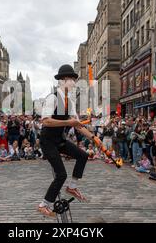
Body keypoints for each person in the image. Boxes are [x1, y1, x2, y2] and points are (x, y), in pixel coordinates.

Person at [38, 64, 95, 218]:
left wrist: (94, 138)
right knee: (61, 174)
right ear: (63, 80)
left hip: (59, 140)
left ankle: (72, 187)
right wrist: (68, 123)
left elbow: (77, 125)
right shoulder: (53, 98)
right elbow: (46, 121)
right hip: (48, 141)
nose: (74, 83)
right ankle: (44, 205)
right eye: (72, 80)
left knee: (83, 156)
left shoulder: (69, 102)